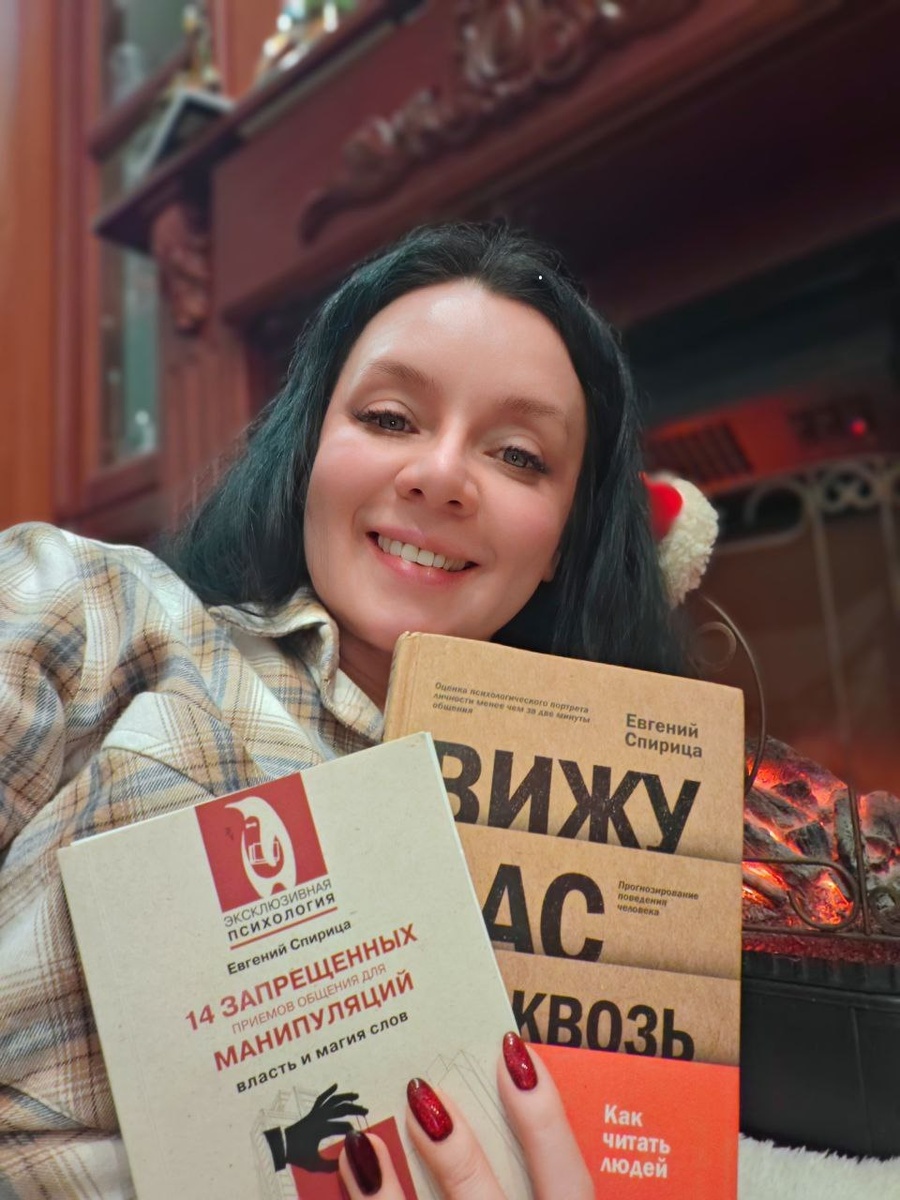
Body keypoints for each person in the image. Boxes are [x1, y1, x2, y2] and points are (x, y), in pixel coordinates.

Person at [0, 222, 699, 1198]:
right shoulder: (102, 615)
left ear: (563, 543)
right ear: (311, 448)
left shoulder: (618, 849)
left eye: (517, 454)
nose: (440, 475)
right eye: (389, 417)